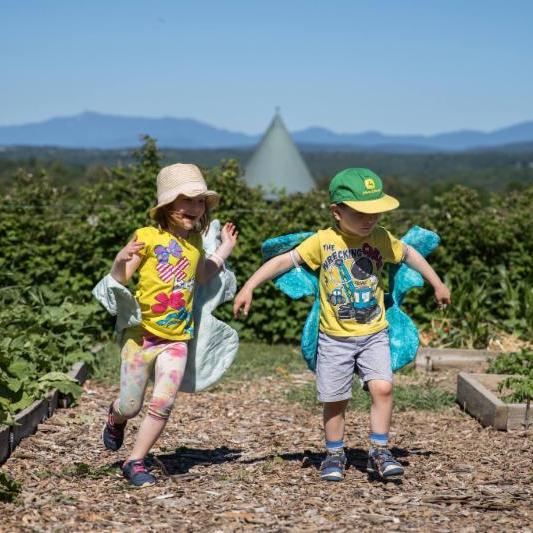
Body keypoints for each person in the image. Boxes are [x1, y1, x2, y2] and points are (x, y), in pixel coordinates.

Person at [233, 168, 450, 481]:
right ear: (337, 212)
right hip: (334, 338)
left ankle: (379, 451)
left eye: (375, 212)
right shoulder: (323, 242)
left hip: (374, 332)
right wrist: (249, 286)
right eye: (361, 213)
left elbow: (409, 254)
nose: (370, 219)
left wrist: (437, 283)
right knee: (335, 400)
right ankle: (334, 454)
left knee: (383, 388)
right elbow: (283, 261)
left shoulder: (380, 238)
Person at [102, 163, 238, 487]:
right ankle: (116, 416)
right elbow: (122, 277)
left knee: (163, 403)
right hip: (141, 337)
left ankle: (135, 461)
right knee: (130, 406)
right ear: (167, 204)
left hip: (176, 340)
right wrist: (120, 260)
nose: (195, 207)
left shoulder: (195, 245)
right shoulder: (147, 237)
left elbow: (203, 274)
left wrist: (224, 249)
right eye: (187, 200)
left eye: (200, 201)